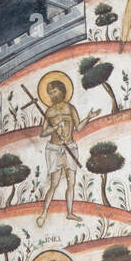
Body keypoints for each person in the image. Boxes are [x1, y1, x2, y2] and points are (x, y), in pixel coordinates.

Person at [36, 79, 98, 226]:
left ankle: (69, 213)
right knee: (54, 183)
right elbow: (43, 133)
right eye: (50, 93)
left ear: (62, 91)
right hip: (54, 149)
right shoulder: (49, 111)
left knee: (71, 182)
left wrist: (88, 118)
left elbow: (78, 128)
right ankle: (44, 213)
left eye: (54, 91)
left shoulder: (70, 108)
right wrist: (53, 128)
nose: (52, 95)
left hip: (70, 146)